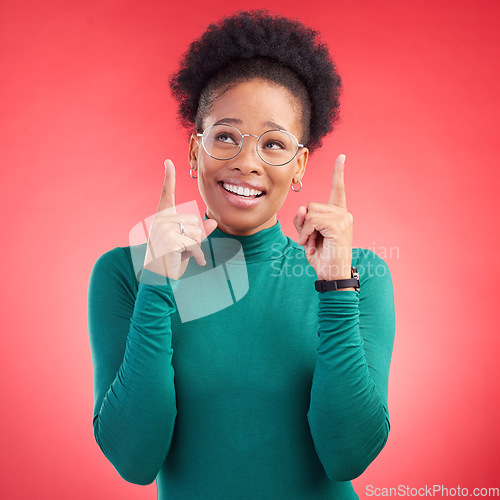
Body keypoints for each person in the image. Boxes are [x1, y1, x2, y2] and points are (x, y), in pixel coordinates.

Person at [87, 9, 395, 500]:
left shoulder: (360, 275)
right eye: (225, 136)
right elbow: (134, 460)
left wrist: (337, 287)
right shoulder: (125, 274)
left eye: (273, 144)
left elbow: (347, 455)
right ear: (194, 152)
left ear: (298, 168)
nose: (246, 162)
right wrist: (158, 284)